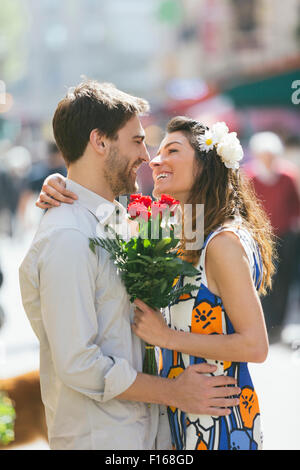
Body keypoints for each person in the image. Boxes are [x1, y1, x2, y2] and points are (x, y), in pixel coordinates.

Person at [20, 81, 240, 451]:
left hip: (144, 432)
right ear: (100, 142)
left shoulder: (115, 218)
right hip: (101, 438)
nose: (147, 154)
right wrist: (175, 393)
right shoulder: (67, 237)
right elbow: (78, 363)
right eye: (137, 140)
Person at [245, 132, 300, 341]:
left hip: (285, 235)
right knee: (262, 278)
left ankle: (279, 323)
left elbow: (295, 205)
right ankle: (265, 323)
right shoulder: (250, 177)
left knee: (284, 280)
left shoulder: (287, 176)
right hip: (260, 237)